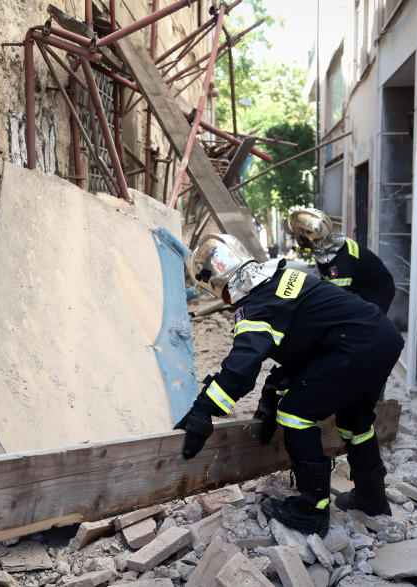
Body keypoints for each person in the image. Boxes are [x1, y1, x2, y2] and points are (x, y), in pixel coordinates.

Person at [174, 233, 405, 537]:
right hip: (381, 338)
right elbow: (312, 334)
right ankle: (372, 499)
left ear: (217, 284)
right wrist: (275, 384)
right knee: (355, 420)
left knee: (296, 412)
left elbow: (241, 367)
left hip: (355, 347)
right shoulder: (281, 276)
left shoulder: (256, 306)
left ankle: (312, 510)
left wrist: (204, 408)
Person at [284, 208, 396, 314]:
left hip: (377, 290)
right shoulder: (331, 247)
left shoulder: (342, 262)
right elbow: (326, 284)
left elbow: (335, 299)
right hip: (359, 287)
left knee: (364, 321)